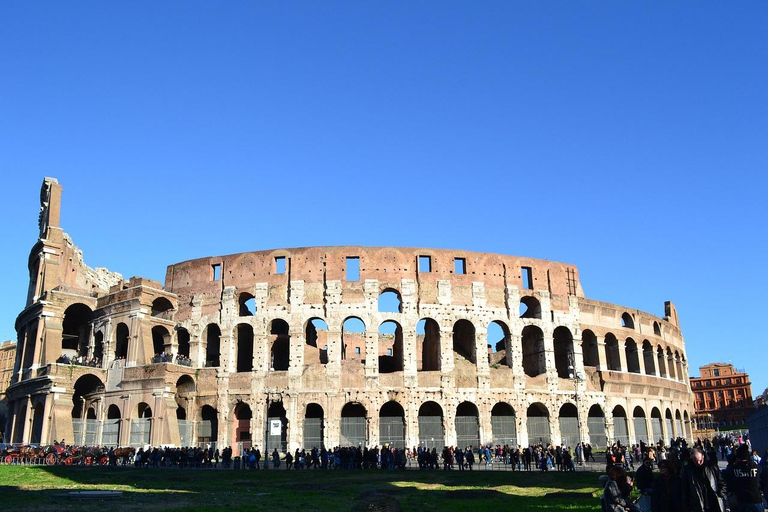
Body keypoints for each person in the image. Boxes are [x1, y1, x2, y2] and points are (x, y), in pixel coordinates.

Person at [681, 447, 726, 512]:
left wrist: (721, 495)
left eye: (700, 460)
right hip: (697, 504)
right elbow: (685, 489)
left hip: (714, 502)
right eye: (696, 461)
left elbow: (721, 482)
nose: (698, 463)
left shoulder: (712, 466)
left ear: (703, 456)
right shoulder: (688, 470)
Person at [725, 444, 764, 512]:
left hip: (742, 500)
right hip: (756, 498)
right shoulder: (755, 467)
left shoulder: (734, 468)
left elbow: (730, 483)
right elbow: (761, 476)